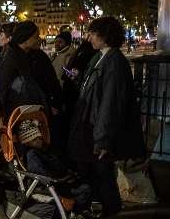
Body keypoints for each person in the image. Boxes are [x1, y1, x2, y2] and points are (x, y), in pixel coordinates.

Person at [66, 17, 146, 218]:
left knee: (104, 177)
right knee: (99, 176)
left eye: (93, 34)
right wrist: (78, 81)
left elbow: (111, 104)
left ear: (104, 35)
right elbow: (99, 94)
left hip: (100, 134)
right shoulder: (102, 57)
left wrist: (102, 140)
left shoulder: (114, 62)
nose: (89, 37)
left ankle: (112, 213)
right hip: (94, 130)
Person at [19, 120, 95, 219]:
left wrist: (67, 172)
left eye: (40, 138)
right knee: (85, 189)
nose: (39, 141)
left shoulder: (45, 150)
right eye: (34, 140)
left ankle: (83, 208)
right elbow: (41, 172)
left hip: (59, 180)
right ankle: (76, 212)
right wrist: (63, 178)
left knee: (91, 182)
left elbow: (58, 163)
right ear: (26, 142)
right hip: (47, 185)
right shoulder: (32, 155)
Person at [0, 22, 63, 123]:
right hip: (27, 119)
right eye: (36, 36)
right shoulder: (10, 62)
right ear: (25, 41)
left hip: (49, 113)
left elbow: (52, 80)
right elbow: (6, 95)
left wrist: (58, 102)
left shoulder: (40, 56)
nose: (40, 39)